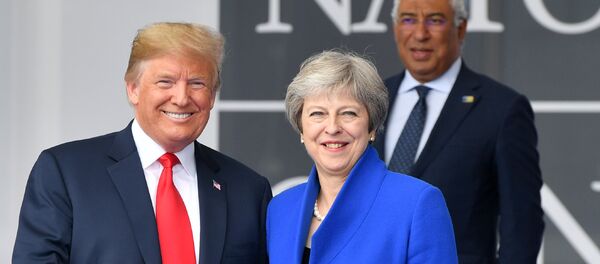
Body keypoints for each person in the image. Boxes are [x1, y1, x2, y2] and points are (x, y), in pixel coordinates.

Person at [13, 22, 272, 264]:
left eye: (197, 84)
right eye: (165, 82)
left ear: (213, 95)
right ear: (133, 89)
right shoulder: (66, 173)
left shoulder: (248, 191)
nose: (181, 98)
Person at [373, 0, 544, 263]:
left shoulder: (502, 108)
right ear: (395, 28)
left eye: (435, 20)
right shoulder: (370, 101)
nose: (420, 33)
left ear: (460, 29)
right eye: (408, 19)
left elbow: (522, 224)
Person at [267, 50, 458, 264]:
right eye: (318, 113)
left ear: (372, 127)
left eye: (348, 113)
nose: (332, 127)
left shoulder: (417, 204)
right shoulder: (281, 209)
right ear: (301, 129)